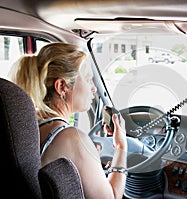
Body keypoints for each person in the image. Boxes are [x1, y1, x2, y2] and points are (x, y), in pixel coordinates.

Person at [8, 42, 127, 199]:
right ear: (62, 86)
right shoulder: (72, 138)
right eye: (88, 79)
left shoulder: (27, 124)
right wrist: (121, 147)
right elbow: (112, 197)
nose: (93, 88)